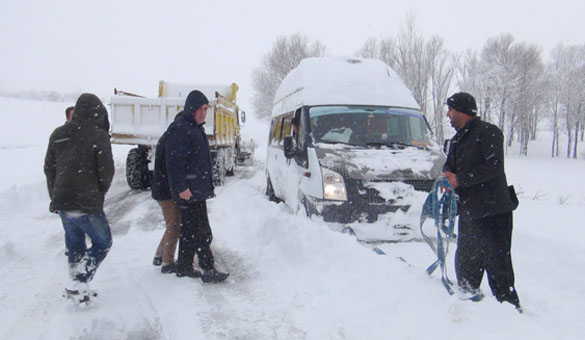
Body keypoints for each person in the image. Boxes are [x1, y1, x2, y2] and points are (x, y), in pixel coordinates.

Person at [442, 92, 521, 311]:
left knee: (498, 267)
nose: (448, 114)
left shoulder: (489, 133)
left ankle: (510, 313)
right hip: (469, 212)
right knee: (467, 265)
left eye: (451, 110)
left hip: (494, 212)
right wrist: (447, 176)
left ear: (462, 112)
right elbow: (449, 166)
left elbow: (494, 166)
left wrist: (461, 180)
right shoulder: (457, 139)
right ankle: (471, 311)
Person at [44, 93, 114, 303]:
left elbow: (49, 168)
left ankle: (78, 289)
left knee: (75, 247)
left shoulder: (58, 133)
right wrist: (98, 193)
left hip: (64, 203)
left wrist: (56, 194)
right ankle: (79, 281)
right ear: (98, 113)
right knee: (103, 243)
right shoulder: (98, 136)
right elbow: (107, 172)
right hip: (86, 203)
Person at [165, 90, 229, 283]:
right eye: (201, 109)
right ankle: (208, 269)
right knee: (202, 231)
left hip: (196, 190)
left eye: (206, 109)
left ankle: (184, 266)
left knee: (189, 230)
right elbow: (174, 162)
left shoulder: (194, 128)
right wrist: (181, 187)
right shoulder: (181, 129)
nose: (204, 113)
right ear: (191, 108)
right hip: (189, 192)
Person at [151, 111, 183, 274]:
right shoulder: (173, 138)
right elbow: (172, 168)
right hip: (166, 192)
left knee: (172, 224)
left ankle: (159, 255)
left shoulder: (167, 136)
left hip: (161, 190)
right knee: (174, 226)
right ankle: (167, 262)